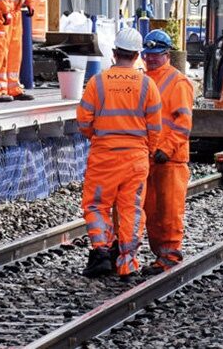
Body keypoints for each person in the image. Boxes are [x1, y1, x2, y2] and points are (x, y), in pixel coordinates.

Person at [77, 28, 163, 278]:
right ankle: (127, 262)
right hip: (135, 158)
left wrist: (97, 136)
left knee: (96, 205)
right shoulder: (148, 85)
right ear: (138, 55)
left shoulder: (98, 82)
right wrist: (149, 149)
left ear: (114, 53)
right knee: (131, 208)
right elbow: (155, 127)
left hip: (104, 156)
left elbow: (83, 120)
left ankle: (101, 252)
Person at [141, 30, 193, 271]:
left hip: (170, 159)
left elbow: (183, 122)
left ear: (167, 54)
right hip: (149, 157)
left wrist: (167, 149)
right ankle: (160, 255)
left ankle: (170, 255)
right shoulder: (144, 80)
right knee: (151, 211)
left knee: (169, 210)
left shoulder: (177, 82)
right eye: (147, 55)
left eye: (156, 55)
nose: (151, 59)